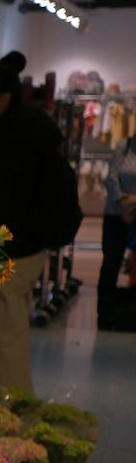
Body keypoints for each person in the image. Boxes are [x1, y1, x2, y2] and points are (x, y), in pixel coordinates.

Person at [0, 51, 78, 391]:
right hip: (24, 250)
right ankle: (0, 409)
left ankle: (12, 414)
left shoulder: (12, 139)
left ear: (3, 98)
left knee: (3, 339)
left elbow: (3, 201)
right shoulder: (28, 132)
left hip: (13, 254)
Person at [101, 134, 136, 330]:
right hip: (116, 215)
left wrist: (133, 204)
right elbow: (111, 179)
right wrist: (124, 205)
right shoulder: (123, 146)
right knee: (111, 263)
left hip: (131, 213)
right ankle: (105, 314)